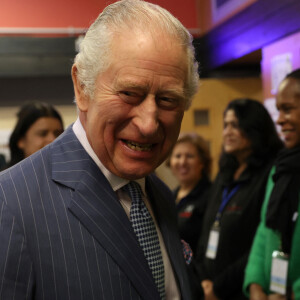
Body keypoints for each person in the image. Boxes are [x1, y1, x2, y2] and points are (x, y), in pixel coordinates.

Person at [0, 1, 199, 299]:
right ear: (82, 88)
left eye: (168, 99)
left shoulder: (159, 194)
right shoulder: (12, 203)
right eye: (130, 94)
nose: (148, 124)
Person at [194, 98, 283, 300]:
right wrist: (202, 280)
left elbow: (259, 243)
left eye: (235, 125)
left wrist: (219, 287)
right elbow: (206, 230)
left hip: (241, 289)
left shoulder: (271, 174)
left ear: (254, 128)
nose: (227, 132)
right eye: (225, 125)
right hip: (208, 288)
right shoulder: (225, 173)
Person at [244, 69, 300, 300]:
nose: (279, 120)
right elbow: (265, 230)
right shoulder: (280, 169)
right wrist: (255, 284)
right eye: (278, 110)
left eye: (287, 109)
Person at [168, 133, 212, 253]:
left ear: (202, 162)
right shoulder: (167, 196)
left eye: (189, 156)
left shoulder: (211, 196)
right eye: (177, 156)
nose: (182, 162)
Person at [4, 101, 64, 169]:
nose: (53, 140)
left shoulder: (73, 175)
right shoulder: (6, 178)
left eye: (57, 134)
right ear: (21, 140)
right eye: (43, 134)